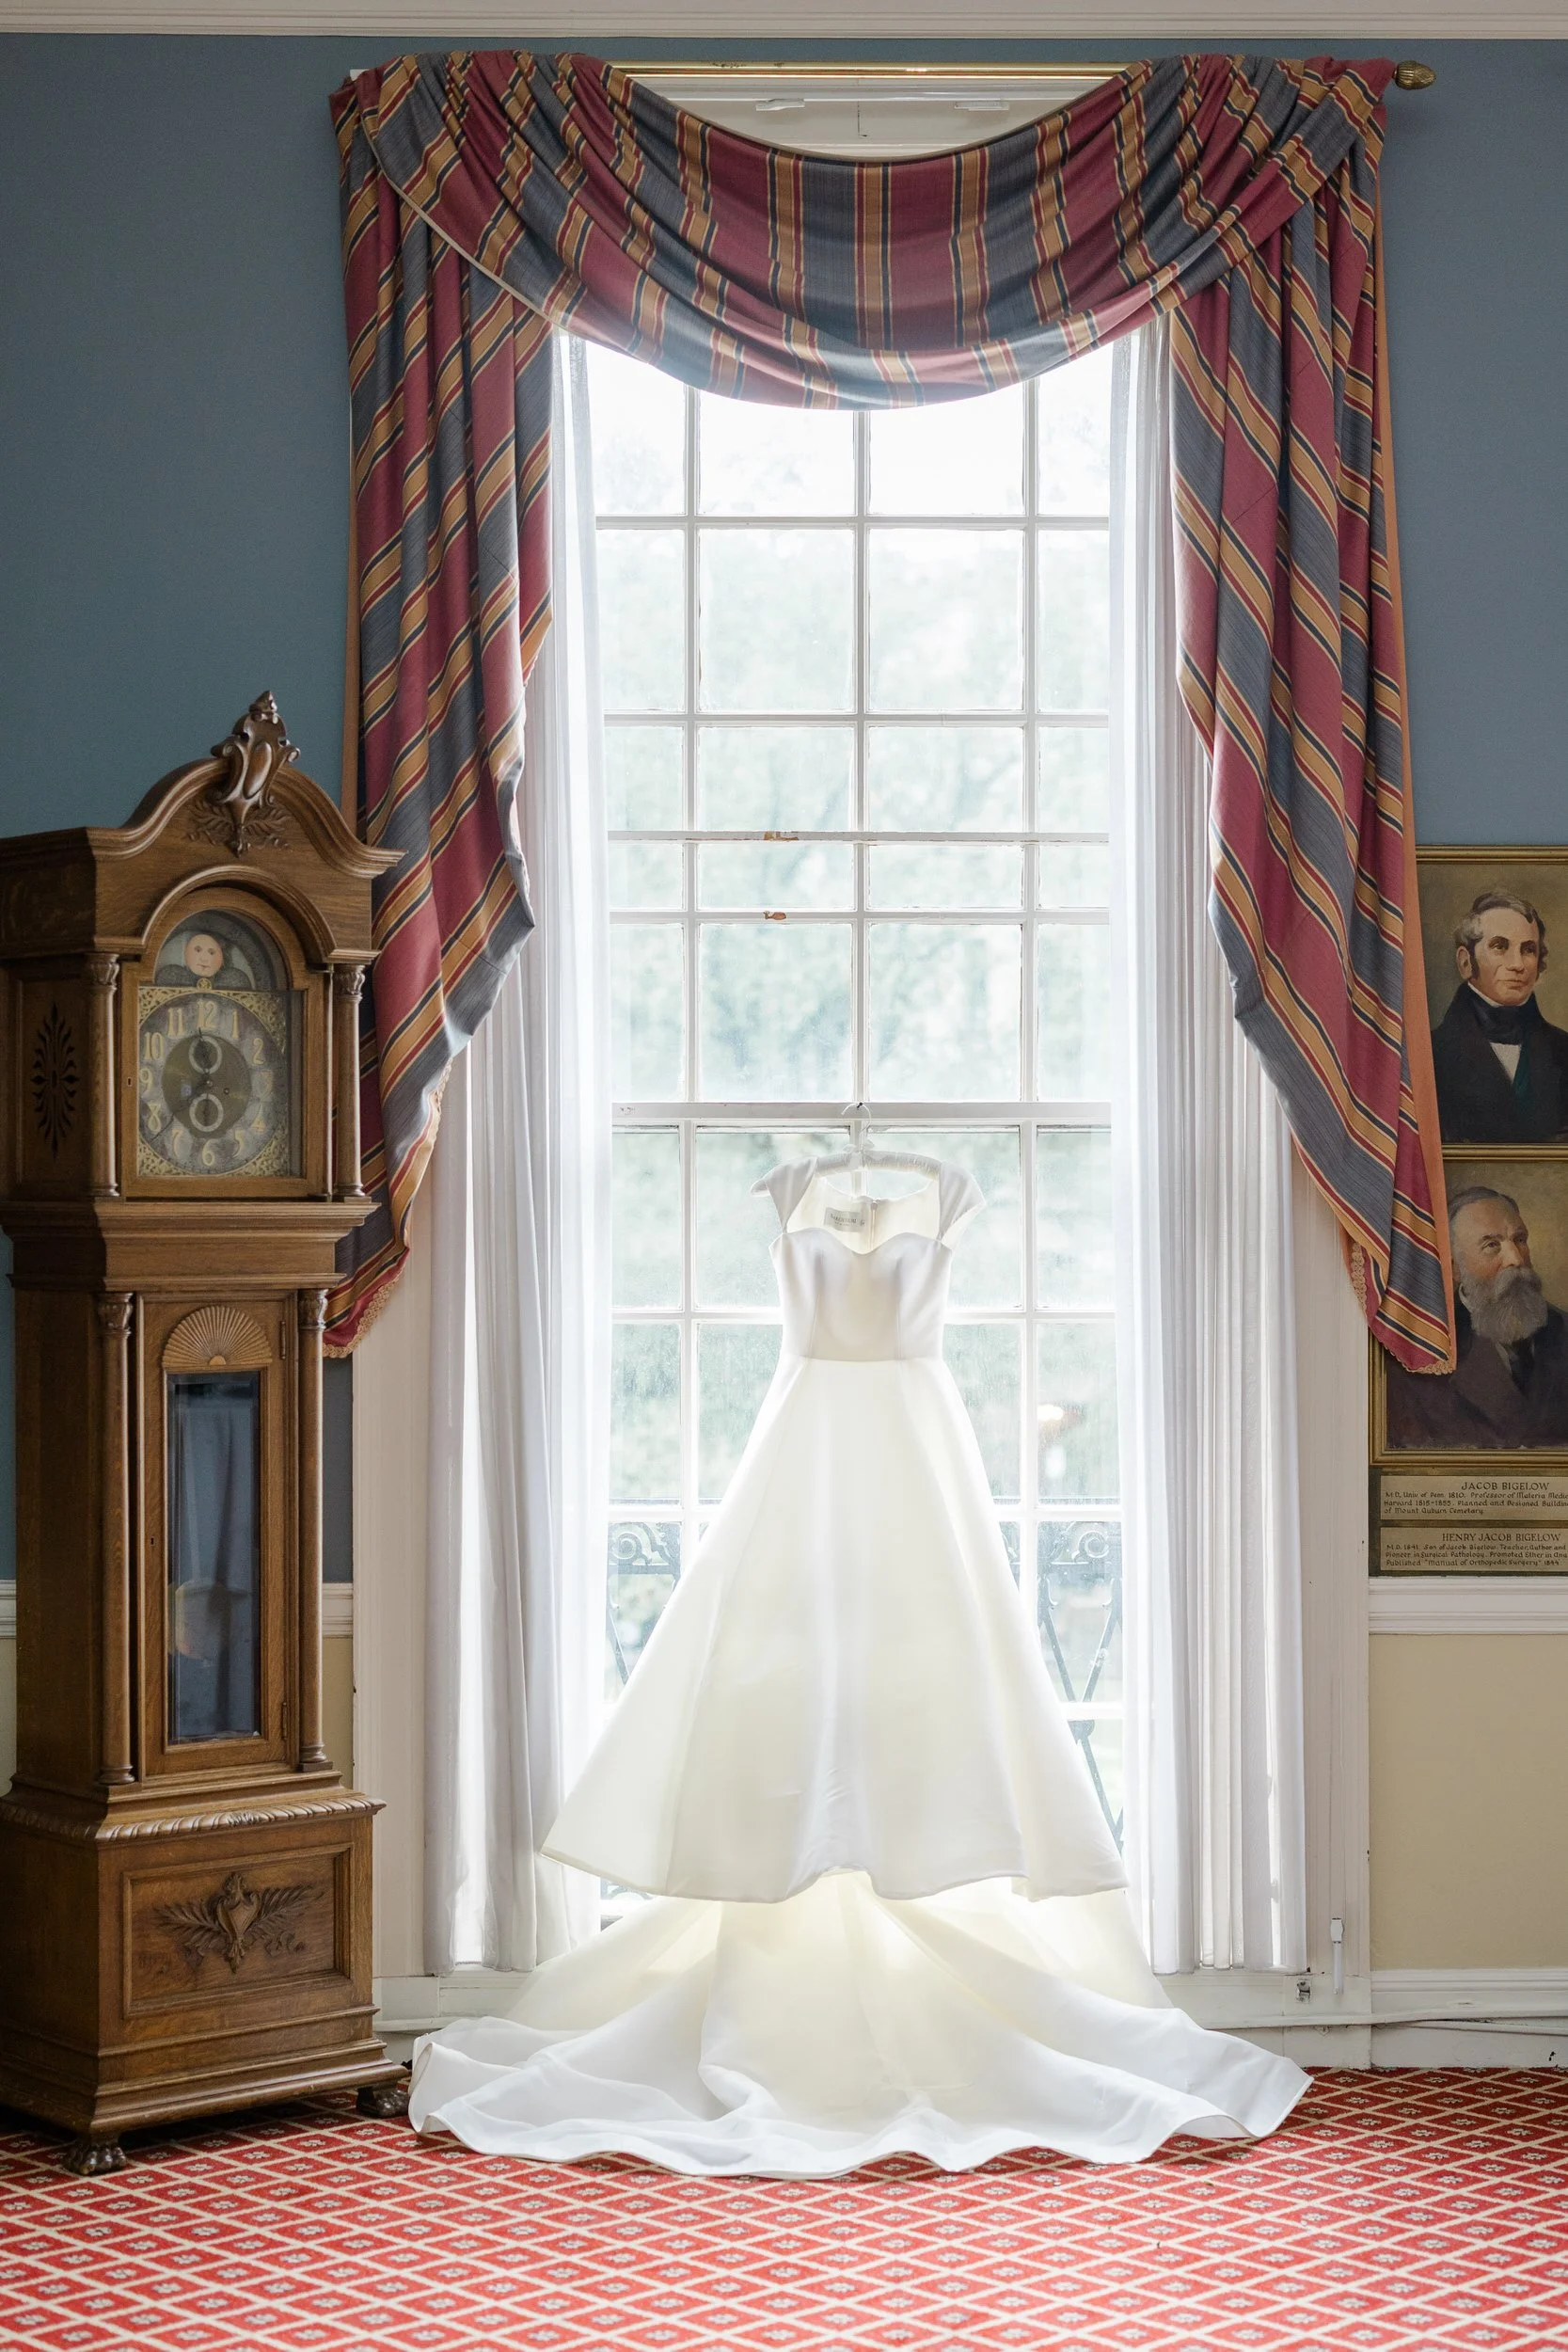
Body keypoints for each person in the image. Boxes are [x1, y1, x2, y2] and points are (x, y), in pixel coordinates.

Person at [408, 1154, 1307, 2172]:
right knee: (784, 1682)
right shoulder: (792, 1189)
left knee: (928, 1680)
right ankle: (782, 1957)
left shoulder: (952, 1191)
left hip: (917, 1454)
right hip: (802, 1449)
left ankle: (919, 1943)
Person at [1386, 1185, 1568, 1450]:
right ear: (1454, 1267)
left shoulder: (1562, 1331)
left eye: (1519, 1239)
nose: (1516, 1259)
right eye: (1492, 1245)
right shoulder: (1420, 1355)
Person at [1431, 891, 1568, 1143]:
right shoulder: (1431, 1055)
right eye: (1500, 946)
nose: (1517, 964)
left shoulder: (1563, 1051)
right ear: (1465, 962)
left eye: (1528, 950)